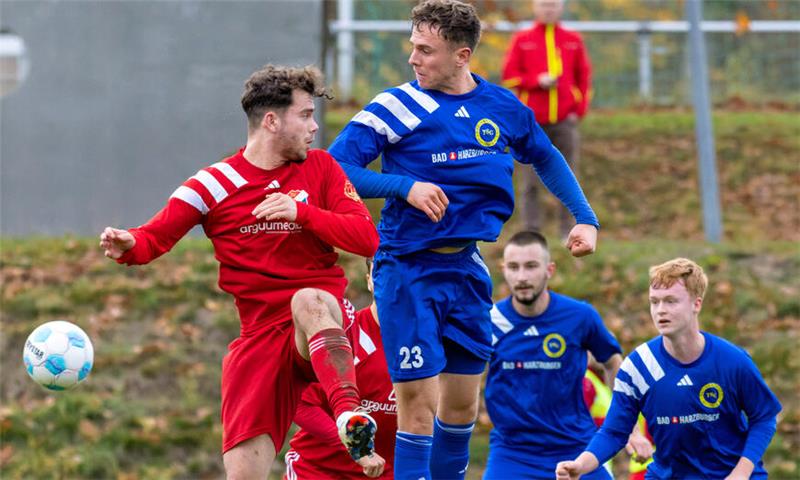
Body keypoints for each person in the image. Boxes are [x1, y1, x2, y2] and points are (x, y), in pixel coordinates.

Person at [328, 1, 600, 478]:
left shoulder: (499, 107)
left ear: (462, 55)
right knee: (417, 405)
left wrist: (584, 217)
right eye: (412, 47)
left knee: (460, 410)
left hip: (467, 268)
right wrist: (403, 186)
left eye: (425, 50)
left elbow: (546, 154)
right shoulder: (396, 106)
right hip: (407, 268)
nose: (413, 58)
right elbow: (333, 169)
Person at [99, 65, 380, 479]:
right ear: (271, 121)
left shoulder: (321, 169)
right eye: (304, 115)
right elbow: (153, 238)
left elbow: (366, 238)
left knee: (309, 299)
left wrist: (302, 212)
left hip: (324, 326)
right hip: (261, 341)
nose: (314, 127)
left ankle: (349, 415)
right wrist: (127, 245)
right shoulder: (213, 184)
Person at [556, 258, 783, 480]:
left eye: (671, 301)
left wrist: (741, 474)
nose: (660, 310)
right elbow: (614, 432)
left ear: (697, 304)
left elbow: (764, 418)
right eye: (655, 302)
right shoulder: (639, 366)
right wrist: (580, 465)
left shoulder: (731, 360)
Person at [484, 231, 631, 479]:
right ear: (503, 270)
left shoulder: (579, 316)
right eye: (513, 267)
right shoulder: (489, 322)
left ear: (549, 270)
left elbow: (612, 361)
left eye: (531, 266)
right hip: (512, 453)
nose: (522, 277)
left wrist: (619, 426)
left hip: (575, 446)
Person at [285, 259, 397, 479]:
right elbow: (299, 404)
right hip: (317, 471)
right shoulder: (346, 333)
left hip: (384, 472)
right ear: (369, 282)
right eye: (381, 270)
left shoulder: (430, 343)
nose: (391, 279)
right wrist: (355, 446)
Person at [501, 0, 592, 235]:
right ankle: (531, 230)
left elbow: (584, 77)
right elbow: (510, 76)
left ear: (561, 8)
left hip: (564, 120)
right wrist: (536, 81)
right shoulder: (523, 39)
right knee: (530, 181)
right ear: (535, 7)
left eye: (553, 5)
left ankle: (569, 231)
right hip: (533, 124)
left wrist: (577, 109)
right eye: (544, 4)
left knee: (568, 176)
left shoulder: (573, 40)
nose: (548, 9)